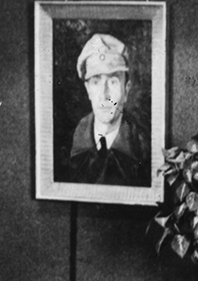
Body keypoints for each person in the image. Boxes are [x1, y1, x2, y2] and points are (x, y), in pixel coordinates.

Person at [56, 33, 151, 187]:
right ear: (87, 90)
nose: (104, 94)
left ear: (126, 90)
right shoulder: (67, 144)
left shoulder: (144, 147)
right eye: (96, 82)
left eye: (113, 82)